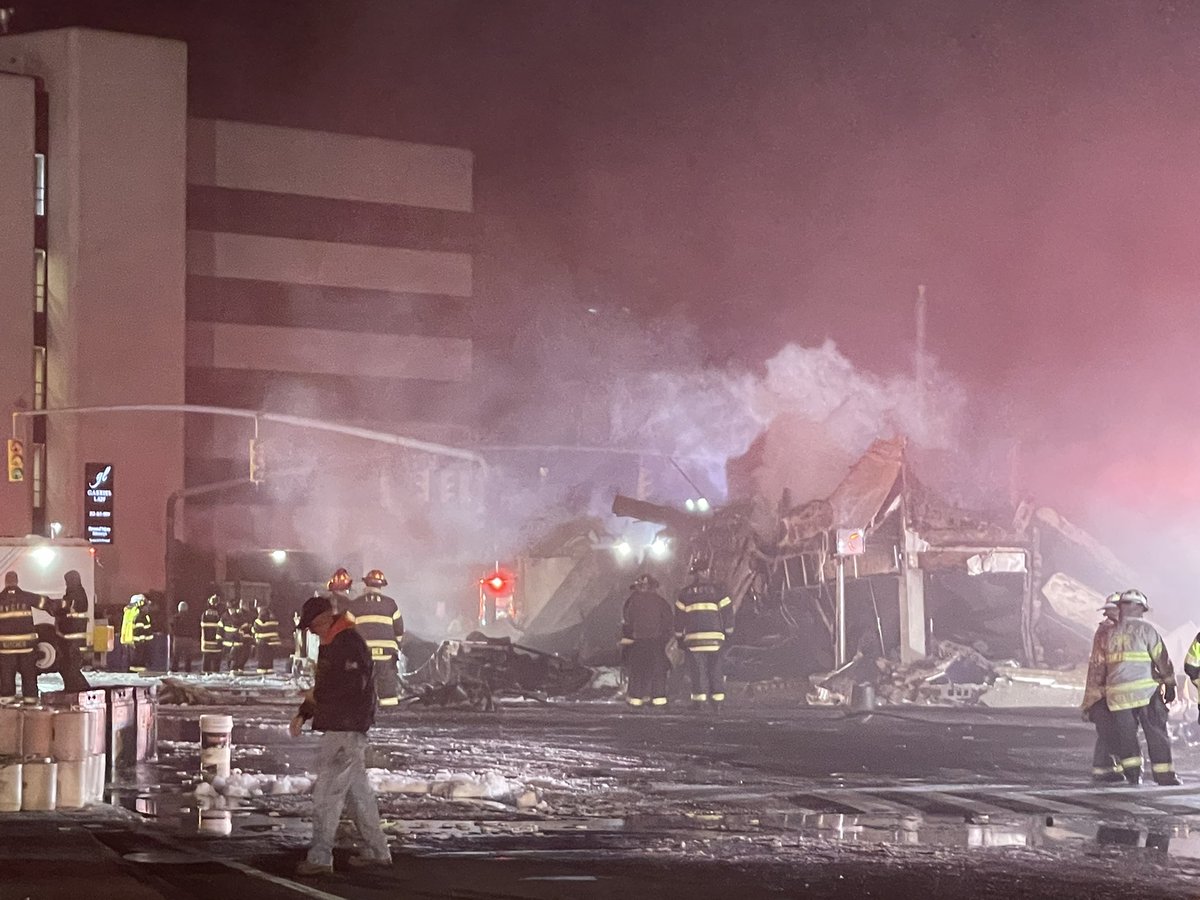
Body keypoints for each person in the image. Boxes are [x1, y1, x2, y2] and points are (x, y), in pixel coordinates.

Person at [290, 594, 391, 877]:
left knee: (326, 794)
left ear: (323, 619)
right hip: (343, 725)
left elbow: (343, 685)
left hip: (345, 728)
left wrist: (312, 701)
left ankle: (320, 857)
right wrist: (303, 713)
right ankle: (377, 850)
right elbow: (325, 684)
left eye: (311, 627)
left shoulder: (347, 643)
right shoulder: (333, 643)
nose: (311, 632)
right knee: (358, 795)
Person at [1104, 588, 1180, 785]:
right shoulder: (1146, 630)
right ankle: (1164, 775)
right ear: (1137, 608)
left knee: (1126, 736)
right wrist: (1170, 684)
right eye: (1142, 609)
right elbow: (1162, 659)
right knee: (1155, 732)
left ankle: (1132, 775)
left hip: (1117, 694)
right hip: (1145, 691)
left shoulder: (1109, 634)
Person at [675, 553, 734, 710]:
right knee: (715, 670)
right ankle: (718, 703)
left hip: (694, 640)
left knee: (698, 671)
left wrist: (679, 637)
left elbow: (679, 618)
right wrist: (728, 632)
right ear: (707, 572)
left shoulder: (685, 593)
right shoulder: (718, 590)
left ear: (695, 574)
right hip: (715, 640)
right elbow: (728, 612)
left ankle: (699, 702)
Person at [1080, 594, 1124, 783]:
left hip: (1105, 687)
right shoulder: (1110, 630)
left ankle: (1102, 767)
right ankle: (1108, 768)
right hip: (1107, 688)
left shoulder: (1108, 629)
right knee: (1111, 729)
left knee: (1108, 729)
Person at [346, 569, 405, 707]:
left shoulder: (355, 604)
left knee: (363, 679)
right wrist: (397, 644)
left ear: (366, 585)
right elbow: (399, 628)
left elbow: (346, 629)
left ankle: (361, 707)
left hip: (363, 652)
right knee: (387, 680)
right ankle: (388, 708)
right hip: (386, 651)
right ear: (381, 586)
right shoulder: (391, 604)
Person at [620, 574, 673, 708]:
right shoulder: (661, 602)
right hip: (656, 644)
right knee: (657, 672)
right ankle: (658, 700)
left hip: (638, 643)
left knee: (637, 672)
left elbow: (627, 623)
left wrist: (628, 641)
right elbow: (668, 623)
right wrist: (664, 640)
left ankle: (635, 700)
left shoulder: (631, 602)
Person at [0, 571, 47, 704]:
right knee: (29, 674)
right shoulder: (26, 597)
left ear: (6, 582)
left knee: (6, 675)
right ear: (16, 581)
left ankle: (7, 699)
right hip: (27, 647)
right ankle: (30, 699)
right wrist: (64, 606)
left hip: (5, 648)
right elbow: (46, 603)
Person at [252, 600, 282, 675]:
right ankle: (269, 667)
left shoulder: (260, 617)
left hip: (263, 641)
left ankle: (262, 668)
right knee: (269, 656)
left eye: (258, 608)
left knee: (262, 656)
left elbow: (256, 628)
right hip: (273, 641)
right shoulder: (272, 616)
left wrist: (252, 629)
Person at [200, 594, 225, 673]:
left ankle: (205, 675)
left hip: (206, 642)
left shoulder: (204, 614)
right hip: (217, 642)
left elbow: (201, 627)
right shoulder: (220, 614)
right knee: (216, 665)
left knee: (206, 663)